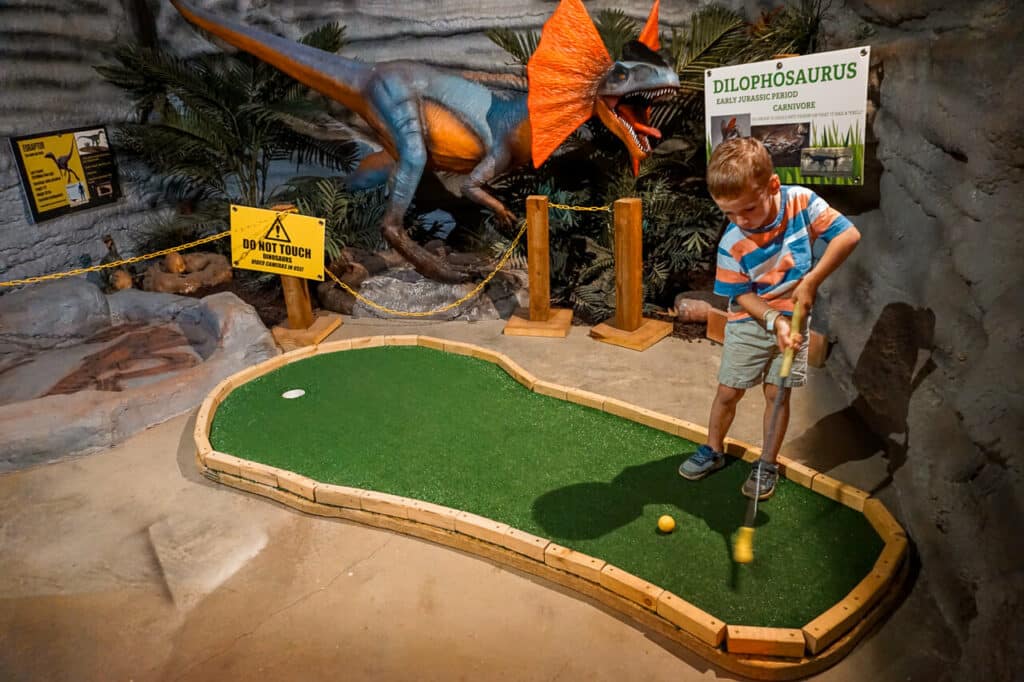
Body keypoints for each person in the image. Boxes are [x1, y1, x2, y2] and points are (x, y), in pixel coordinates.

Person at [679, 137, 861, 499]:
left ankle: (767, 463)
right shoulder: (732, 242)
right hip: (751, 321)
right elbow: (741, 296)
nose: (738, 221)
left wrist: (811, 281)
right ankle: (713, 449)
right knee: (729, 390)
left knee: (777, 394)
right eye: (727, 213)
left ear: (772, 186)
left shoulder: (801, 202)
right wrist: (772, 321)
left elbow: (848, 235)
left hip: (795, 320)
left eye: (746, 209)